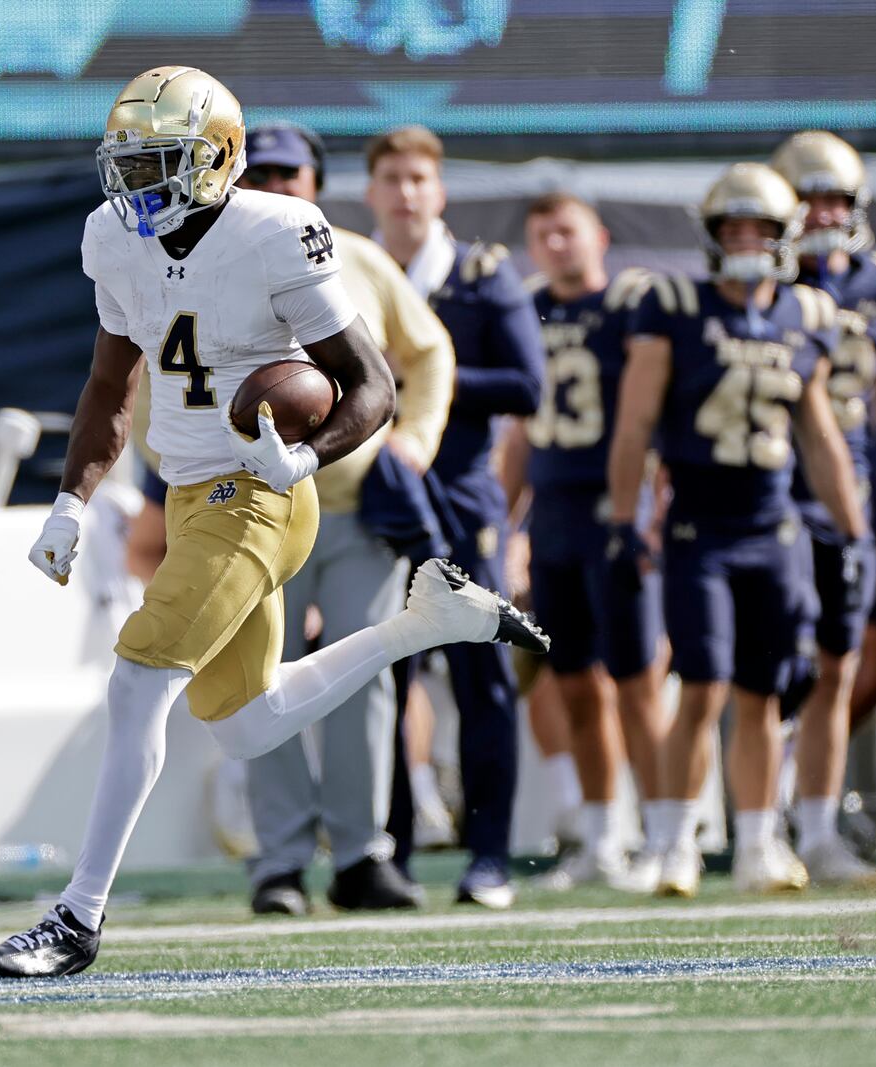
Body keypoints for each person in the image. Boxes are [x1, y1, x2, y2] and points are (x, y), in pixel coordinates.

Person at [0, 68, 546, 979]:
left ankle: (76, 915)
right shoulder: (114, 239)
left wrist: (307, 456)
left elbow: (374, 384)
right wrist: (70, 499)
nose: (137, 184)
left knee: (137, 681)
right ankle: (426, 624)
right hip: (190, 492)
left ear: (219, 158)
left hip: (260, 488)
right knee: (246, 723)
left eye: (159, 161)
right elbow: (106, 387)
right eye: (128, 163)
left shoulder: (276, 232)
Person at [606, 163, 866, 897]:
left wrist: (851, 532)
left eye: (761, 228)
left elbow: (820, 437)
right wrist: (625, 521)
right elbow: (634, 425)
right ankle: (676, 841)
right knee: (703, 685)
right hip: (700, 526)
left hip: (774, 527)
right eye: (733, 228)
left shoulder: (806, 314)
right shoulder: (675, 304)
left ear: (786, 237)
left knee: (763, 692)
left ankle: (758, 843)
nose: (747, 240)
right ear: (713, 235)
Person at [233, 123, 455, 915]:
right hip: (252, 512)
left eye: (291, 172)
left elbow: (427, 353)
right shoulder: (205, 257)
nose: (277, 183)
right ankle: (281, 860)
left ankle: (363, 854)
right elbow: (163, 375)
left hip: (357, 507)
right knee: (261, 684)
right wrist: (181, 475)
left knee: (365, 677)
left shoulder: (357, 257)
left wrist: (416, 447)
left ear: (316, 182)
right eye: (260, 170)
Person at [366, 125, 546, 909]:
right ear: (372, 191)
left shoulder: (481, 273)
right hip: (375, 494)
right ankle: (385, 854)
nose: (406, 193)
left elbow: (527, 385)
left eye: (419, 179)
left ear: (438, 192)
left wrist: (423, 375)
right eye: (393, 178)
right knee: (383, 681)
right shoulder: (345, 270)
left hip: (462, 494)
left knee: (482, 677)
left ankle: (491, 856)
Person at [768, 131, 876, 885]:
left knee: (836, 665)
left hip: (853, 492)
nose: (823, 214)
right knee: (767, 671)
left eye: (836, 199)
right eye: (809, 198)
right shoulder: (758, 283)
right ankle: (754, 825)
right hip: (766, 494)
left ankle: (818, 826)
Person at [509, 192, 667, 892]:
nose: (557, 245)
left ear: (599, 236)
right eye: (544, 235)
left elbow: (654, 412)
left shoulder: (633, 305)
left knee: (635, 681)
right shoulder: (525, 309)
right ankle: (603, 836)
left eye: (567, 231)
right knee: (573, 684)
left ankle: (665, 833)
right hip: (554, 516)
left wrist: (653, 503)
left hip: (616, 512)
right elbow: (519, 428)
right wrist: (505, 522)